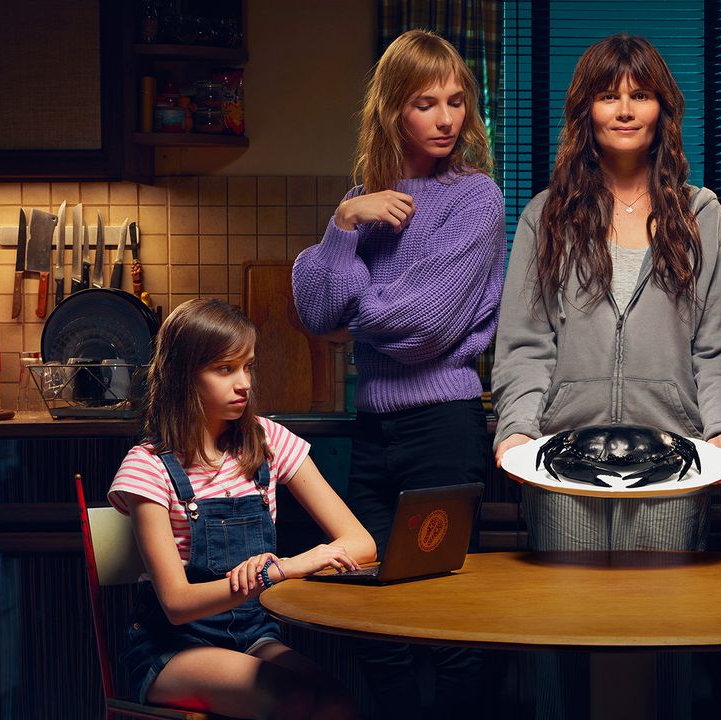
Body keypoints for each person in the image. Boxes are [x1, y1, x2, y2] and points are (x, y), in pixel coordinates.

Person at [490, 34, 721, 719]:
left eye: (641, 94)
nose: (626, 108)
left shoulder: (702, 217)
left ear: (664, 108)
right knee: (564, 642)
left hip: (674, 465)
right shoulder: (545, 215)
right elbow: (523, 346)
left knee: (663, 646)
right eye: (610, 94)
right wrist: (517, 431)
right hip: (560, 465)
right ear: (587, 111)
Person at [291, 29, 505, 719]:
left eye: (455, 102)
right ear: (391, 110)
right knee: (371, 612)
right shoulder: (364, 201)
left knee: (447, 621)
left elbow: (422, 328)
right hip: (374, 431)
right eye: (425, 103)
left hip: (443, 429)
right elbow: (317, 310)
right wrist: (343, 222)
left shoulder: (477, 200)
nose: (446, 118)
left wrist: (355, 297)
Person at [108, 298, 376, 718]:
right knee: (290, 698)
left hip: (254, 634)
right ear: (183, 376)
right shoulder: (148, 466)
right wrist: (279, 571)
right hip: (173, 648)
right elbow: (177, 604)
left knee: (337, 702)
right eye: (224, 369)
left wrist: (300, 563)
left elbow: (361, 543)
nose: (244, 384)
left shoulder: (266, 440)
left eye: (247, 366)